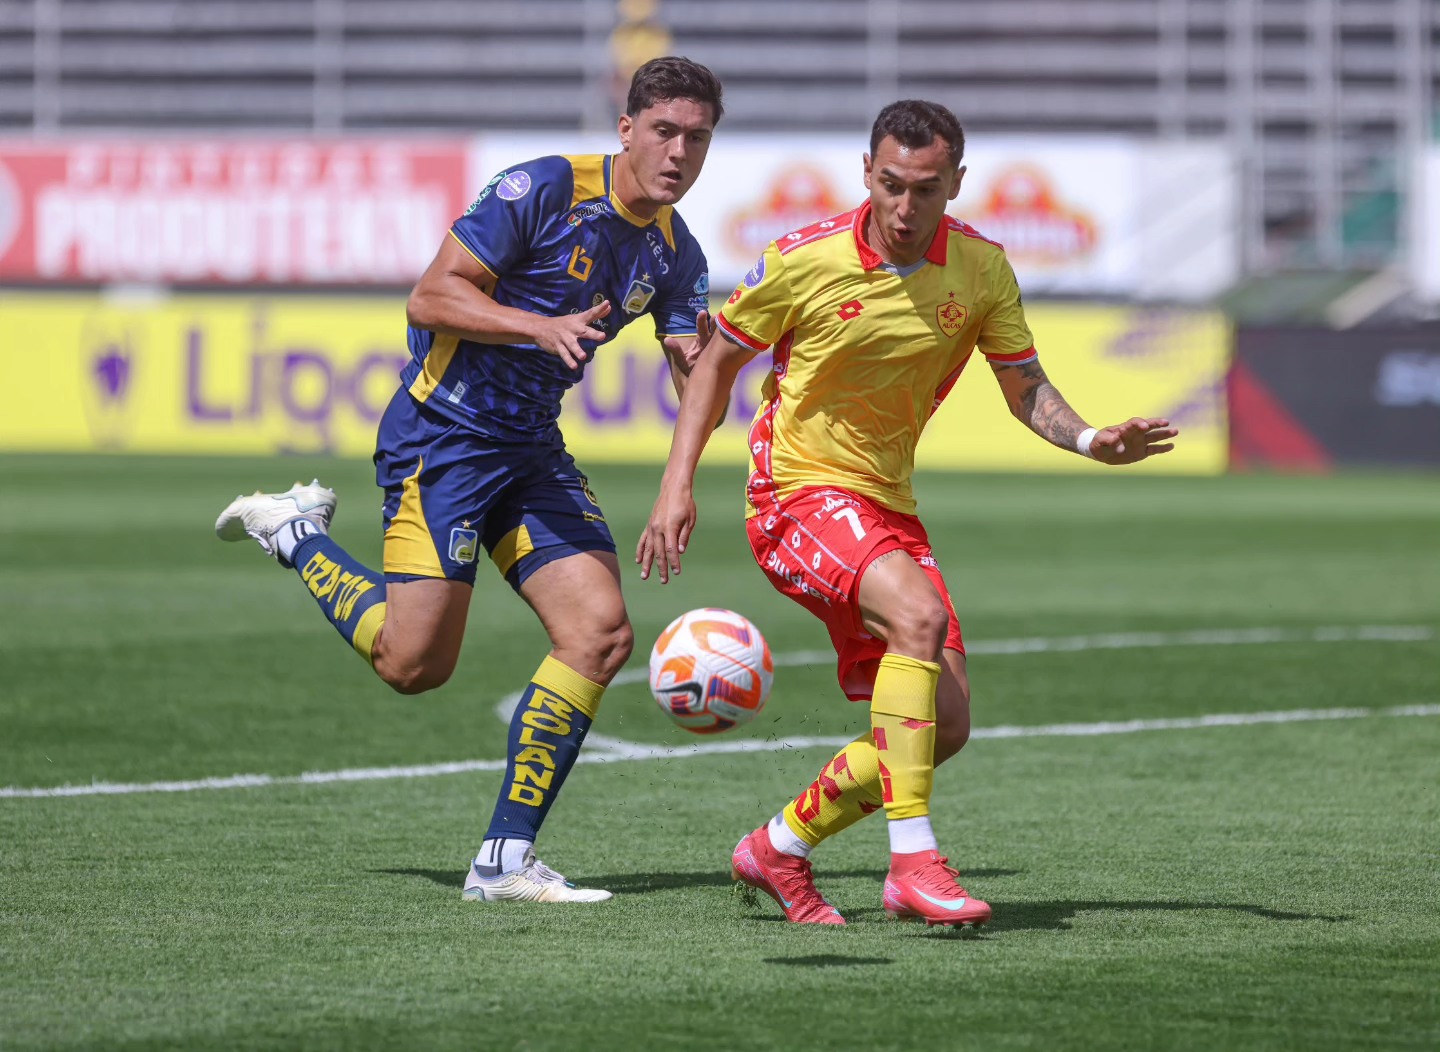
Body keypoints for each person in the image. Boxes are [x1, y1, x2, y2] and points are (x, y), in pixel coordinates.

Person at [637, 99, 1177, 928]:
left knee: (944, 723)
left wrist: (1093, 437)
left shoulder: (983, 270)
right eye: (890, 184)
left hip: (887, 507)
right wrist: (678, 486)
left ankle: (778, 847)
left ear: (956, 184)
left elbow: (1024, 387)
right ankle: (912, 864)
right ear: (866, 172)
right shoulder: (801, 260)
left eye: (925, 189)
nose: (904, 207)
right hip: (794, 495)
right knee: (919, 618)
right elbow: (715, 364)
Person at [216, 56, 724, 905]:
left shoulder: (676, 252)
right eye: (664, 131)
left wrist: (690, 469)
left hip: (531, 451)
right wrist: (537, 325)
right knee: (413, 665)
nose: (678, 152)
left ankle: (503, 860)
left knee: (599, 635)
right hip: (442, 438)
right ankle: (293, 532)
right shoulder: (543, 189)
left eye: (698, 138)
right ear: (627, 128)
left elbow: (693, 370)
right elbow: (428, 297)